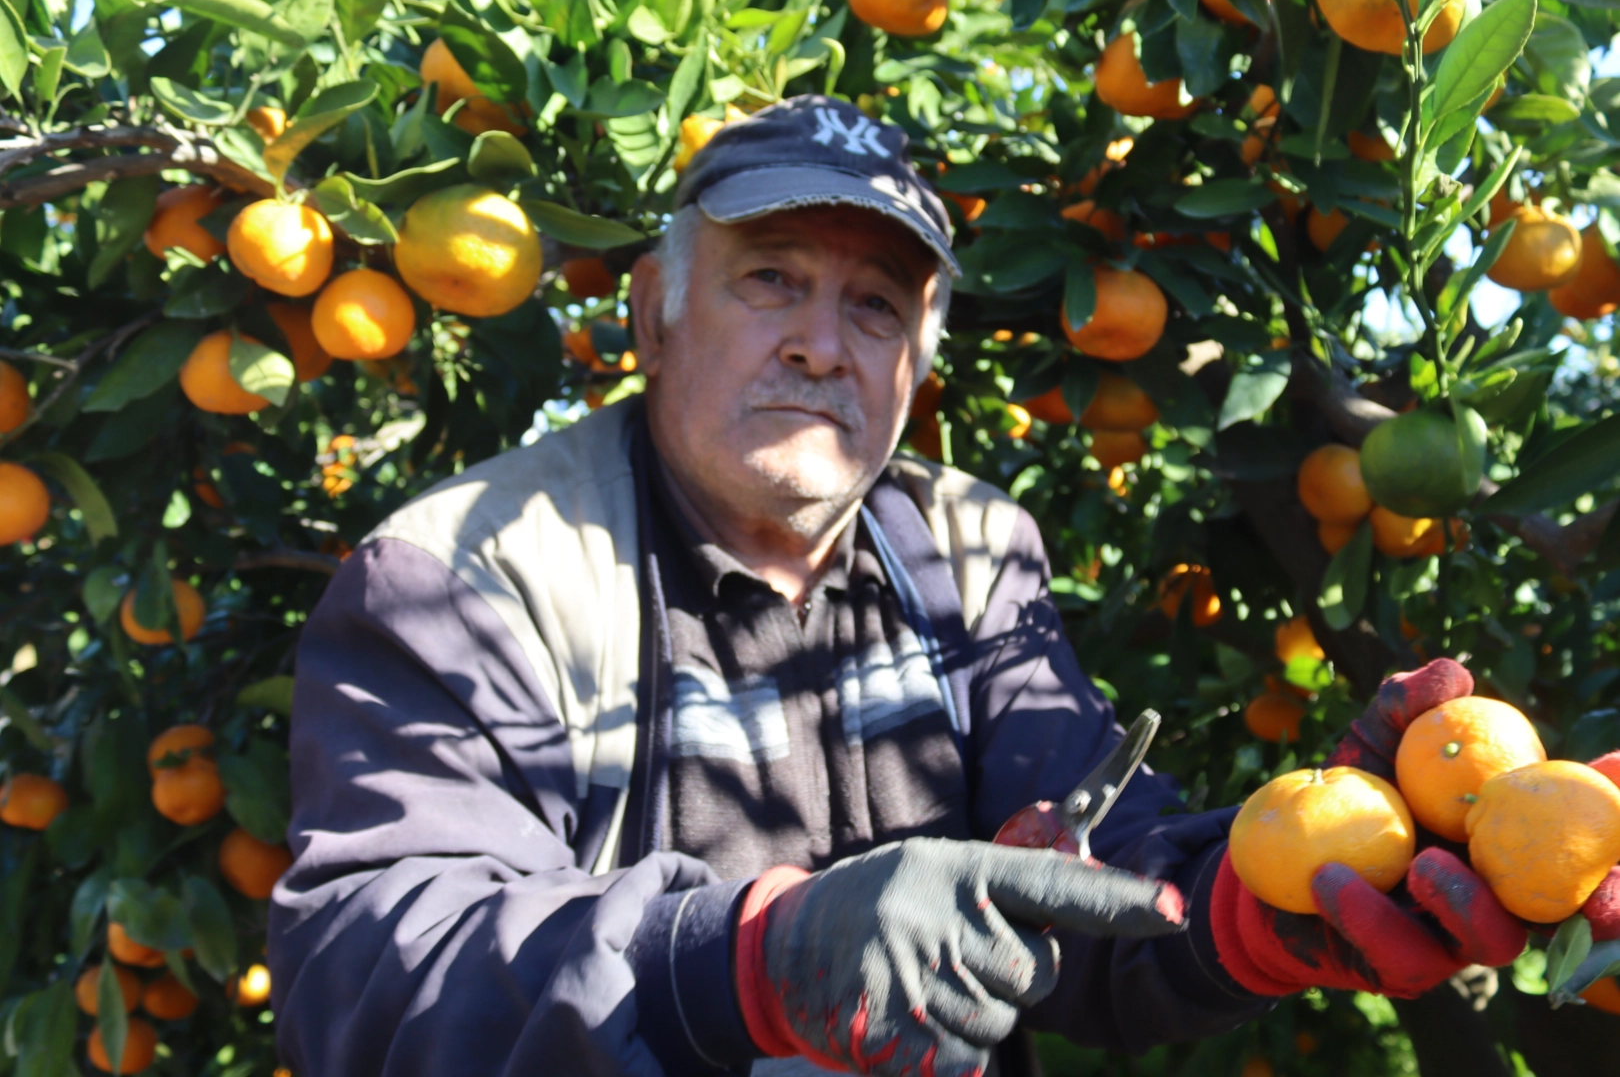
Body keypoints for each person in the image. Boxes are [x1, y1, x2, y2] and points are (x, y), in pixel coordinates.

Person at [268, 96, 1527, 1077]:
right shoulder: (469, 575)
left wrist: (1271, 895)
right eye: (772, 277)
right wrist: (747, 961)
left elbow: (1082, 876)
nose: (822, 343)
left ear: (916, 365)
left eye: (875, 306)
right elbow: (370, 971)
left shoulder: (964, 552)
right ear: (654, 311)